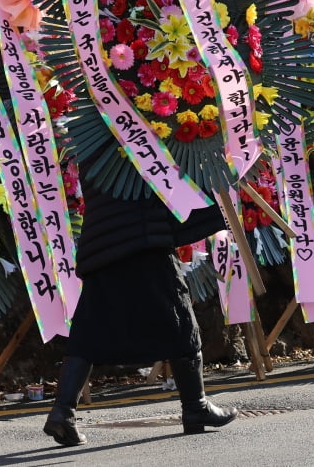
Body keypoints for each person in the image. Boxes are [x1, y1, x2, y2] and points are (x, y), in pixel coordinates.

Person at [43, 165, 238, 446]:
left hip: (102, 240)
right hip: (143, 236)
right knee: (180, 319)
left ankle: (62, 412)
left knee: (89, 327)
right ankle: (195, 407)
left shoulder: (89, 130)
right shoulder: (135, 124)